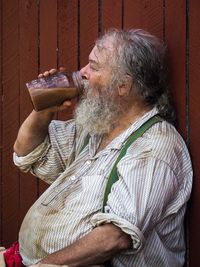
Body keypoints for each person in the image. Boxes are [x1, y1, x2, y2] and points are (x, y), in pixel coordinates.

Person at [10, 29, 192, 267]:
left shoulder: (155, 146)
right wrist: (44, 109)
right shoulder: (97, 126)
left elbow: (114, 238)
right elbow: (27, 152)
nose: (81, 73)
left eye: (93, 67)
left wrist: (44, 265)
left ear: (123, 86)